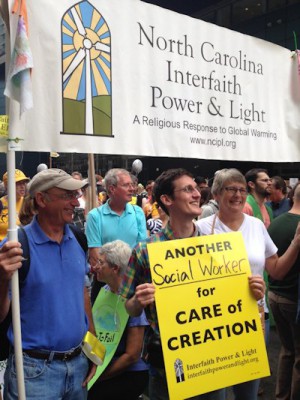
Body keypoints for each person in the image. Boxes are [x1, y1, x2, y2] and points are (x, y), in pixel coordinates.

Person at [119, 168, 265, 400]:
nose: (197, 194)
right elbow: (127, 306)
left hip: (212, 362)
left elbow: (230, 300)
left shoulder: (219, 247)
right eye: (188, 189)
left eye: (196, 189)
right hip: (169, 367)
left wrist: (252, 292)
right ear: (167, 200)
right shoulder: (145, 250)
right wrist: (137, 301)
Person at [196, 168, 300, 400]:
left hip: (253, 319)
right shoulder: (201, 229)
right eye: (230, 189)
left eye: (242, 190)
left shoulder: (255, 225)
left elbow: (276, 270)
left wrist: (296, 242)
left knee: (248, 393)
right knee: (215, 393)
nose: (237, 195)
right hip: (215, 321)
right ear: (216, 193)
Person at [0, 168, 97, 399]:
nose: (75, 202)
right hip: (34, 373)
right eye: (67, 196)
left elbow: (82, 292)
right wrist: (2, 279)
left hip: (78, 364)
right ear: (42, 199)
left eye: (76, 195)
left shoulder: (78, 238)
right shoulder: (16, 247)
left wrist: (93, 351)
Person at [88, 240, 149, 400]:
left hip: (128, 372)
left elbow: (132, 355)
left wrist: (98, 376)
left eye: (101, 263)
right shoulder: (104, 291)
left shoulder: (133, 299)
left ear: (115, 268)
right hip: (102, 366)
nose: (95, 267)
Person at [86, 168, 147, 302]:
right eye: (126, 185)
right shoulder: (95, 216)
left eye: (132, 185)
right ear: (111, 189)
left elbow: (143, 248)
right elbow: (95, 255)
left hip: (133, 283)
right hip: (105, 286)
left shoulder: (138, 212)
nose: (132, 189)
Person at [268, 182, 300, 400]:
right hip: (293, 300)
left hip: (274, 296)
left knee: (287, 351)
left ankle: (281, 396)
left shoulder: (276, 223)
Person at [0, 169, 30, 240]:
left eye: (24, 183)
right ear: (7, 185)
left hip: (22, 246)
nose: (23, 186)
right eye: (18, 183)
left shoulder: (28, 203)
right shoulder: (1, 204)